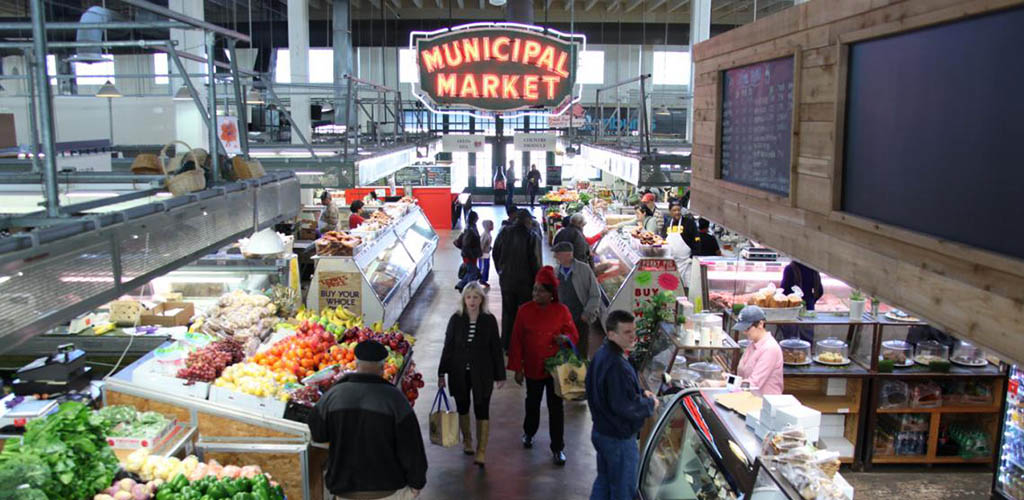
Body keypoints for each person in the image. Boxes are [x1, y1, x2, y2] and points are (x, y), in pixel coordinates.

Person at [309, 341, 428, 500]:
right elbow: (412, 448)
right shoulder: (395, 400)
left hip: (345, 491)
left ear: (356, 364)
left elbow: (318, 435)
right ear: (382, 367)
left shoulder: (333, 396)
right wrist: (416, 483)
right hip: (387, 491)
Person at [507, 266, 579, 466]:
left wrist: (565, 338)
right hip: (532, 367)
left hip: (555, 369)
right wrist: (518, 369)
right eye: (534, 289)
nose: (535, 294)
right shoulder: (524, 311)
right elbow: (516, 341)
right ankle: (529, 432)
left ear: (551, 294)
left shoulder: (562, 311)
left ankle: (558, 448)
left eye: (540, 290)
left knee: (556, 408)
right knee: (532, 403)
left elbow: (573, 335)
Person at [586, 310, 659, 500]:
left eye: (634, 331)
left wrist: (640, 393)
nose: (633, 336)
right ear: (611, 334)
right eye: (627, 332)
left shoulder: (602, 354)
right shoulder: (616, 365)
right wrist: (650, 403)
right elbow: (625, 407)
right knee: (622, 490)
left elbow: (609, 392)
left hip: (601, 432)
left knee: (604, 481)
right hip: (617, 438)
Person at [438, 282, 506, 466]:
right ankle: (467, 440)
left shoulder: (489, 320)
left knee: (482, 408)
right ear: (463, 299)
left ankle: (481, 450)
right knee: (462, 406)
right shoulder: (456, 319)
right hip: (459, 372)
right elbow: (448, 347)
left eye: (476, 297)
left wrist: (500, 374)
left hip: (483, 373)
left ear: (482, 299)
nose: (472, 301)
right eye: (468, 297)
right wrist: (441, 373)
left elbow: (495, 349)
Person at [492, 209, 542, 350]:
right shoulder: (532, 236)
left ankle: (507, 344)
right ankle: (522, 344)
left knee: (508, 312)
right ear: (527, 220)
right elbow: (536, 261)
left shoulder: (503, 232)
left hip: (507, 280)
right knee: (525, 313)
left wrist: (501, 271)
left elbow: (495, 253)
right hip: (526, 283)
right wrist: (537, 282)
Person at [552, 241, 604, 359]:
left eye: (558, 254)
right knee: (564, 348)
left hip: (580, 317)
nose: (555, 256)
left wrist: (587, 313)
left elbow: (595, 294)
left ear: (568, 255)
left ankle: (582, 372)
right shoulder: (556, 271)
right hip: (562, 319)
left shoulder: (584, 270)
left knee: (581, 349)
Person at [734, 306, 784, 395]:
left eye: (747, 328)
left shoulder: (770, 349)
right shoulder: (752, 345)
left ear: (760, 324)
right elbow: (741, 376)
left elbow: (753, 384)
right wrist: (727, 379)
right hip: (749, 398)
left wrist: (723, 384)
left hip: (765, 403)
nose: (744, 332)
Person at [779, 261, 824, 343]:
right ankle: (806, 354)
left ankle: (790, 354)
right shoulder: (813, 269)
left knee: (790, 340)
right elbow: (820, 291)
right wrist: (811, 301)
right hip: (808, 308)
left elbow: (783, 290)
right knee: (807, 339)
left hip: (791, 309)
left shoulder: (789, 268)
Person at [456, 211, 482, 292]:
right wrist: (471, 255)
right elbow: (467, 244)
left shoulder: (471, 227)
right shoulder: (470, 230)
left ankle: (462, 285)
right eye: (477, 217)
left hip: (471, 254)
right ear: (474, 218)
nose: (478, 218)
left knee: (471, 271)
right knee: (472, 272)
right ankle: (470, 288)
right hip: (470, 255)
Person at [479, 219, 494, 287]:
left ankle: (484, 279)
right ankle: (482, 279)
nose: (492, 226)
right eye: (491, 225)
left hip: (486, 253)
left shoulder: (488, 234)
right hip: (483, 254)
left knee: (486, 267)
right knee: (483, 267)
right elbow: (482, 244)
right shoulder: (485, 234)